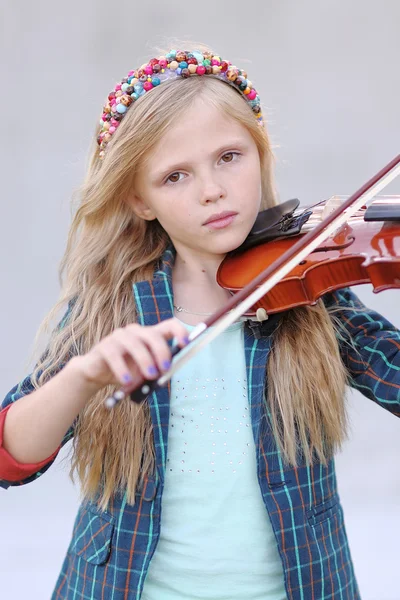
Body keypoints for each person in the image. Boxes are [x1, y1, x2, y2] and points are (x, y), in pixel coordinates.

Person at [0, 44, 399, 600]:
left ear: (260, 153)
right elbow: (10, 457)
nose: (211, 189)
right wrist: (83, 375)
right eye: (176, 176)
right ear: (140, 200)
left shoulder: (308, 292)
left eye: (229, 157)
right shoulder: (113, 305)